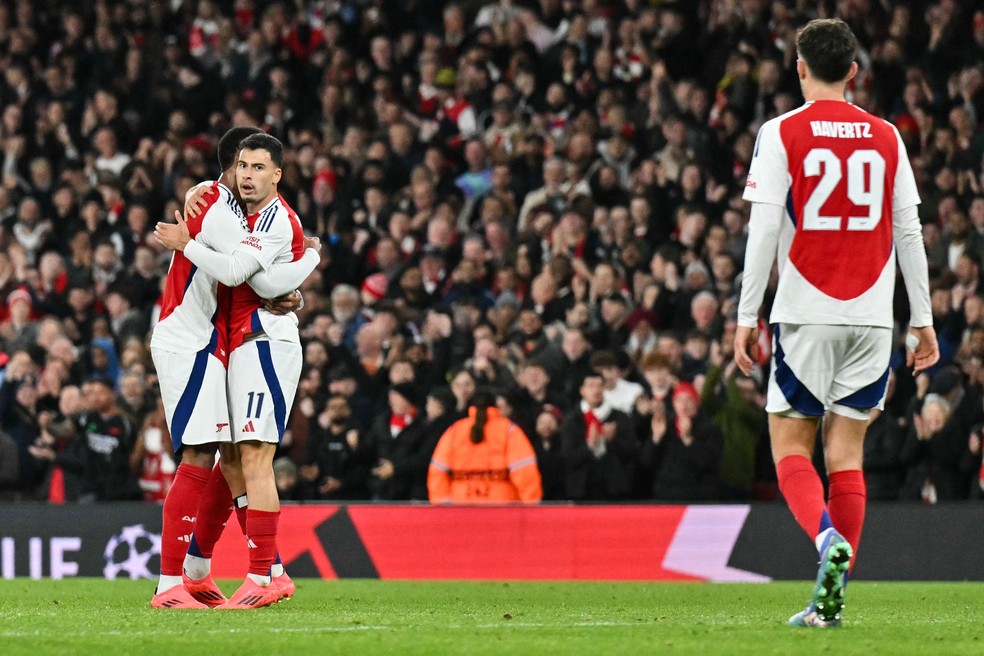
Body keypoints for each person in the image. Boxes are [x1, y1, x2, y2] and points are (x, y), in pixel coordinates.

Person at [734, 18, 940, 629]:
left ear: (800, 68)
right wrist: (921, 320)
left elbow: (765, 228)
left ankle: (827, 542)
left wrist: (748, 314)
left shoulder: (780, 133)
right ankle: (832, 603)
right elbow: (909, 232)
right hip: (874, 318)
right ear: (854, 71)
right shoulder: (887, 137)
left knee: (790, 445)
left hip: (806, 313)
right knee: (846, 452)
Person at [152, 130, 319, 609]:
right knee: (213, 454)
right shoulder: (214, 206)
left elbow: (251, 275)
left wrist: (303, 265)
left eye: (258, 168)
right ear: (229, 170)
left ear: (276, 174)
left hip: (230, 342)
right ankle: (183, 581)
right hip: (194, 341)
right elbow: (250, 273)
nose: (247, 177)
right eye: (242, 167)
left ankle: (207, 571)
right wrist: (306, 260)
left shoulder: (244, 214)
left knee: (233, 454)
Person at [427, 389, 542, 504]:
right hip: (503, 509)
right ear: (496, 407)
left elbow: (437, 473)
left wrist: (443, 506)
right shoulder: (509, 430)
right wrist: (531, 507)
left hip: (460, 508)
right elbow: (525, 473)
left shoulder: (455, 431)